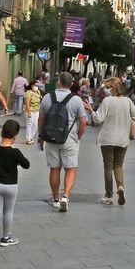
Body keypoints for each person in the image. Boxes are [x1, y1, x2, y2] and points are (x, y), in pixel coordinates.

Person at [39, 72, 89, 211]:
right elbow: (83, 122)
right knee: (70, 168)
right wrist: (78, 136)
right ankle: (66, 196)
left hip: (50, 138)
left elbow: (41, 119)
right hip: (69, 138)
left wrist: (40, 136)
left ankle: (56, 199)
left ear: (58, 82)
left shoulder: (48, 97)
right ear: (71, 84)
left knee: (54, 168)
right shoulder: (76, 100)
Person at [91, 76, 135, 206]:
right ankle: (120, 187)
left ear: (112, 88)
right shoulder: (127, 101)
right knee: (118, 165)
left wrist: (90, 110)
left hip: (107, 138)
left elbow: (98, 119)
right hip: (123, 139)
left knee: (108, 167)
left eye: (107, 87)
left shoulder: (107, 101)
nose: (105, 90)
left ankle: (109, 195)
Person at [0, 119, 30, 251]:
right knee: (8, 211)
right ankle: (6, 237)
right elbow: (26, 165)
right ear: (15, 137)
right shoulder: (15, 152)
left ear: (1, 134)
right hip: (11, 186)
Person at [22, 79, 44, 144]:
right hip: (30, 111)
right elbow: (27, 103)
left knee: (36, 125)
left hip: (37, 110)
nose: (36, 87)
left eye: (37, 85)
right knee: (30, 124)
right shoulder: (28, 93)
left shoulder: (38, 92)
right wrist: (29, 113)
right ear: (32, 86)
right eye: (35, 85)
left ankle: (31, 136)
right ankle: (28, 138)